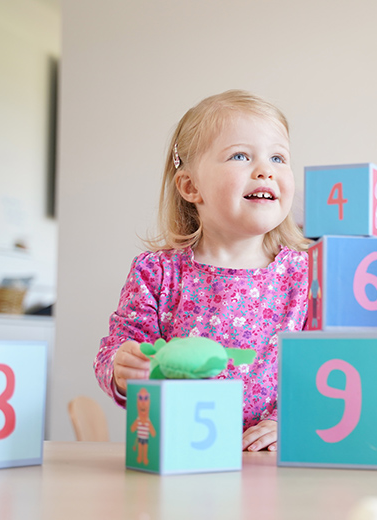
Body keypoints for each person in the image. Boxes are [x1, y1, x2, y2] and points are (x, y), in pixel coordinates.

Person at [94, 90, 309, 452]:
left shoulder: (305, 276)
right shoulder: (157, 272)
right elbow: (118, 346)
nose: (265, 169)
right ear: (191, 186)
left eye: (278, 157)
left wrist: (290, 420)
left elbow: (325, 371)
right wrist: (121, 366)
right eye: (240, 155)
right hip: (181, 457)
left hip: (271, 463)